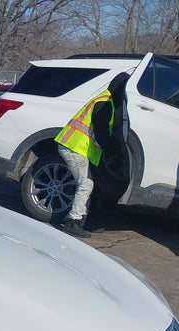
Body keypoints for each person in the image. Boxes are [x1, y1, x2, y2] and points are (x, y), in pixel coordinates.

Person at [54, 72, 130, 238]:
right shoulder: (104, 103)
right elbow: (102, 134)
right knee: (86, 184)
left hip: (76, 146)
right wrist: (113, 150)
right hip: (74, 147)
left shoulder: (104, 99)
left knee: (88, 184)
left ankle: (80, 220)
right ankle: (72, 222)